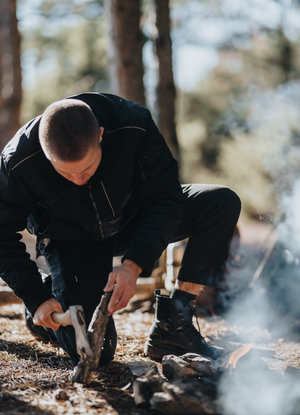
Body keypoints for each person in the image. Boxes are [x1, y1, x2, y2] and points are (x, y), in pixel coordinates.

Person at [0, 92, 241, 365]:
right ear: (45, 154)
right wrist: (36, 297)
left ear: (101, 135)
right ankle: (50, 299)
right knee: (98, 351)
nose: (79, 180)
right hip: (72, 241)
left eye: (88, 168)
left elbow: (166, 197)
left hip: (132, 219)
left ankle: (174, 326)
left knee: (221, 203)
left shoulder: (133, 124)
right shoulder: (17, 162)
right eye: (66, 174)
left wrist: (133, 265)